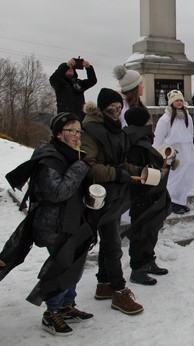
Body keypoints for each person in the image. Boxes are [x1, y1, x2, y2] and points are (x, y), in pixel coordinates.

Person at [1, 112, 94, 335]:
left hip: (70, 221)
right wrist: (80, 168)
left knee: (75, 264)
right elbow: (57, 192)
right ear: (59, 133)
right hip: (52, 224)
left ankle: (66, 306)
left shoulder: (71, 154)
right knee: (61, 268)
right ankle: (52, 313)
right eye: (70, 130)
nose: (76, 135)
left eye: (78, 130)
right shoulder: (50, 158)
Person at [81, 88, 144, 315]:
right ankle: (119, 291)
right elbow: (90, 166)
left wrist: (140, 171)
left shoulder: (116, 130)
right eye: (112, 108)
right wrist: (117, 175)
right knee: (112, 243)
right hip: (97, 195)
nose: (117, 112)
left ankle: (104, 283)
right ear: (102, 108)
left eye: (119, 108)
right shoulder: (90, 130)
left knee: (109, 241)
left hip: (115, 194)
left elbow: (121, 163)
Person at [123, 107, 171, 285]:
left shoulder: (141, 139)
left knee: (151, 228)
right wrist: (159, 170)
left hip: (151, 192)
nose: (151, 123)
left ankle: (148, 260)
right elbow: (137, 169)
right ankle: (138, 268)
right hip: (141, 193)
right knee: (140, 229)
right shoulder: (134, 142)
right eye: (148, 120)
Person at [154, 90, 194, 214]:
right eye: (176, 100)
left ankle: (181, 200)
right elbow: (158, 137)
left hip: (187, 150)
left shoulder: (187, 116)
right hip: (174, 151)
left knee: (186, 177)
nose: (179, 102)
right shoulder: (166, 118)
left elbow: (190, 132)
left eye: (181, 100)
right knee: (175, 177)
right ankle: (172, 201)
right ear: (171, 102)